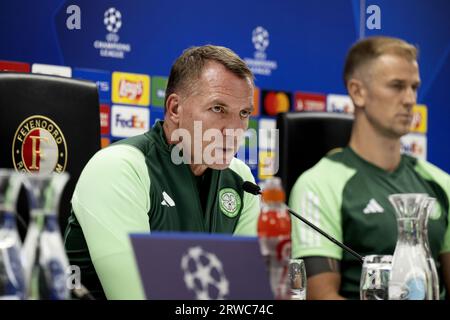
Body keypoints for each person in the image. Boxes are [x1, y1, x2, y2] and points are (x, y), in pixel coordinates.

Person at [64, 45, 259, 299]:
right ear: (175, 109)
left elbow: (245, 295)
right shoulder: (119, 168)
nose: (235, 129)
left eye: (244, 113)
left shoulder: (241, 179)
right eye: (218, 109)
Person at [289, 36, 450, 300]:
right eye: (397, 86)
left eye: (414, 87)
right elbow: (320, 296)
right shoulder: (317, 185)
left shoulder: (441, 183)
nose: (410, 99)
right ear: (357, 92)